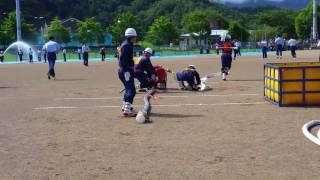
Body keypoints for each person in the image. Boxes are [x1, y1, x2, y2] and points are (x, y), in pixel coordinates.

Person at [118, 28, 138, 117]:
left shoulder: (125, 44)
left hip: (123, 70)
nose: (136, 38)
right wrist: (128, 70)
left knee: (128, 89)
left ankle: (125, 107)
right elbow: (123, 59)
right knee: (131, 90)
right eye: (135, 36)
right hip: (126, 71)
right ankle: (127, 110)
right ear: (132, 37)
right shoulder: (127, 46)